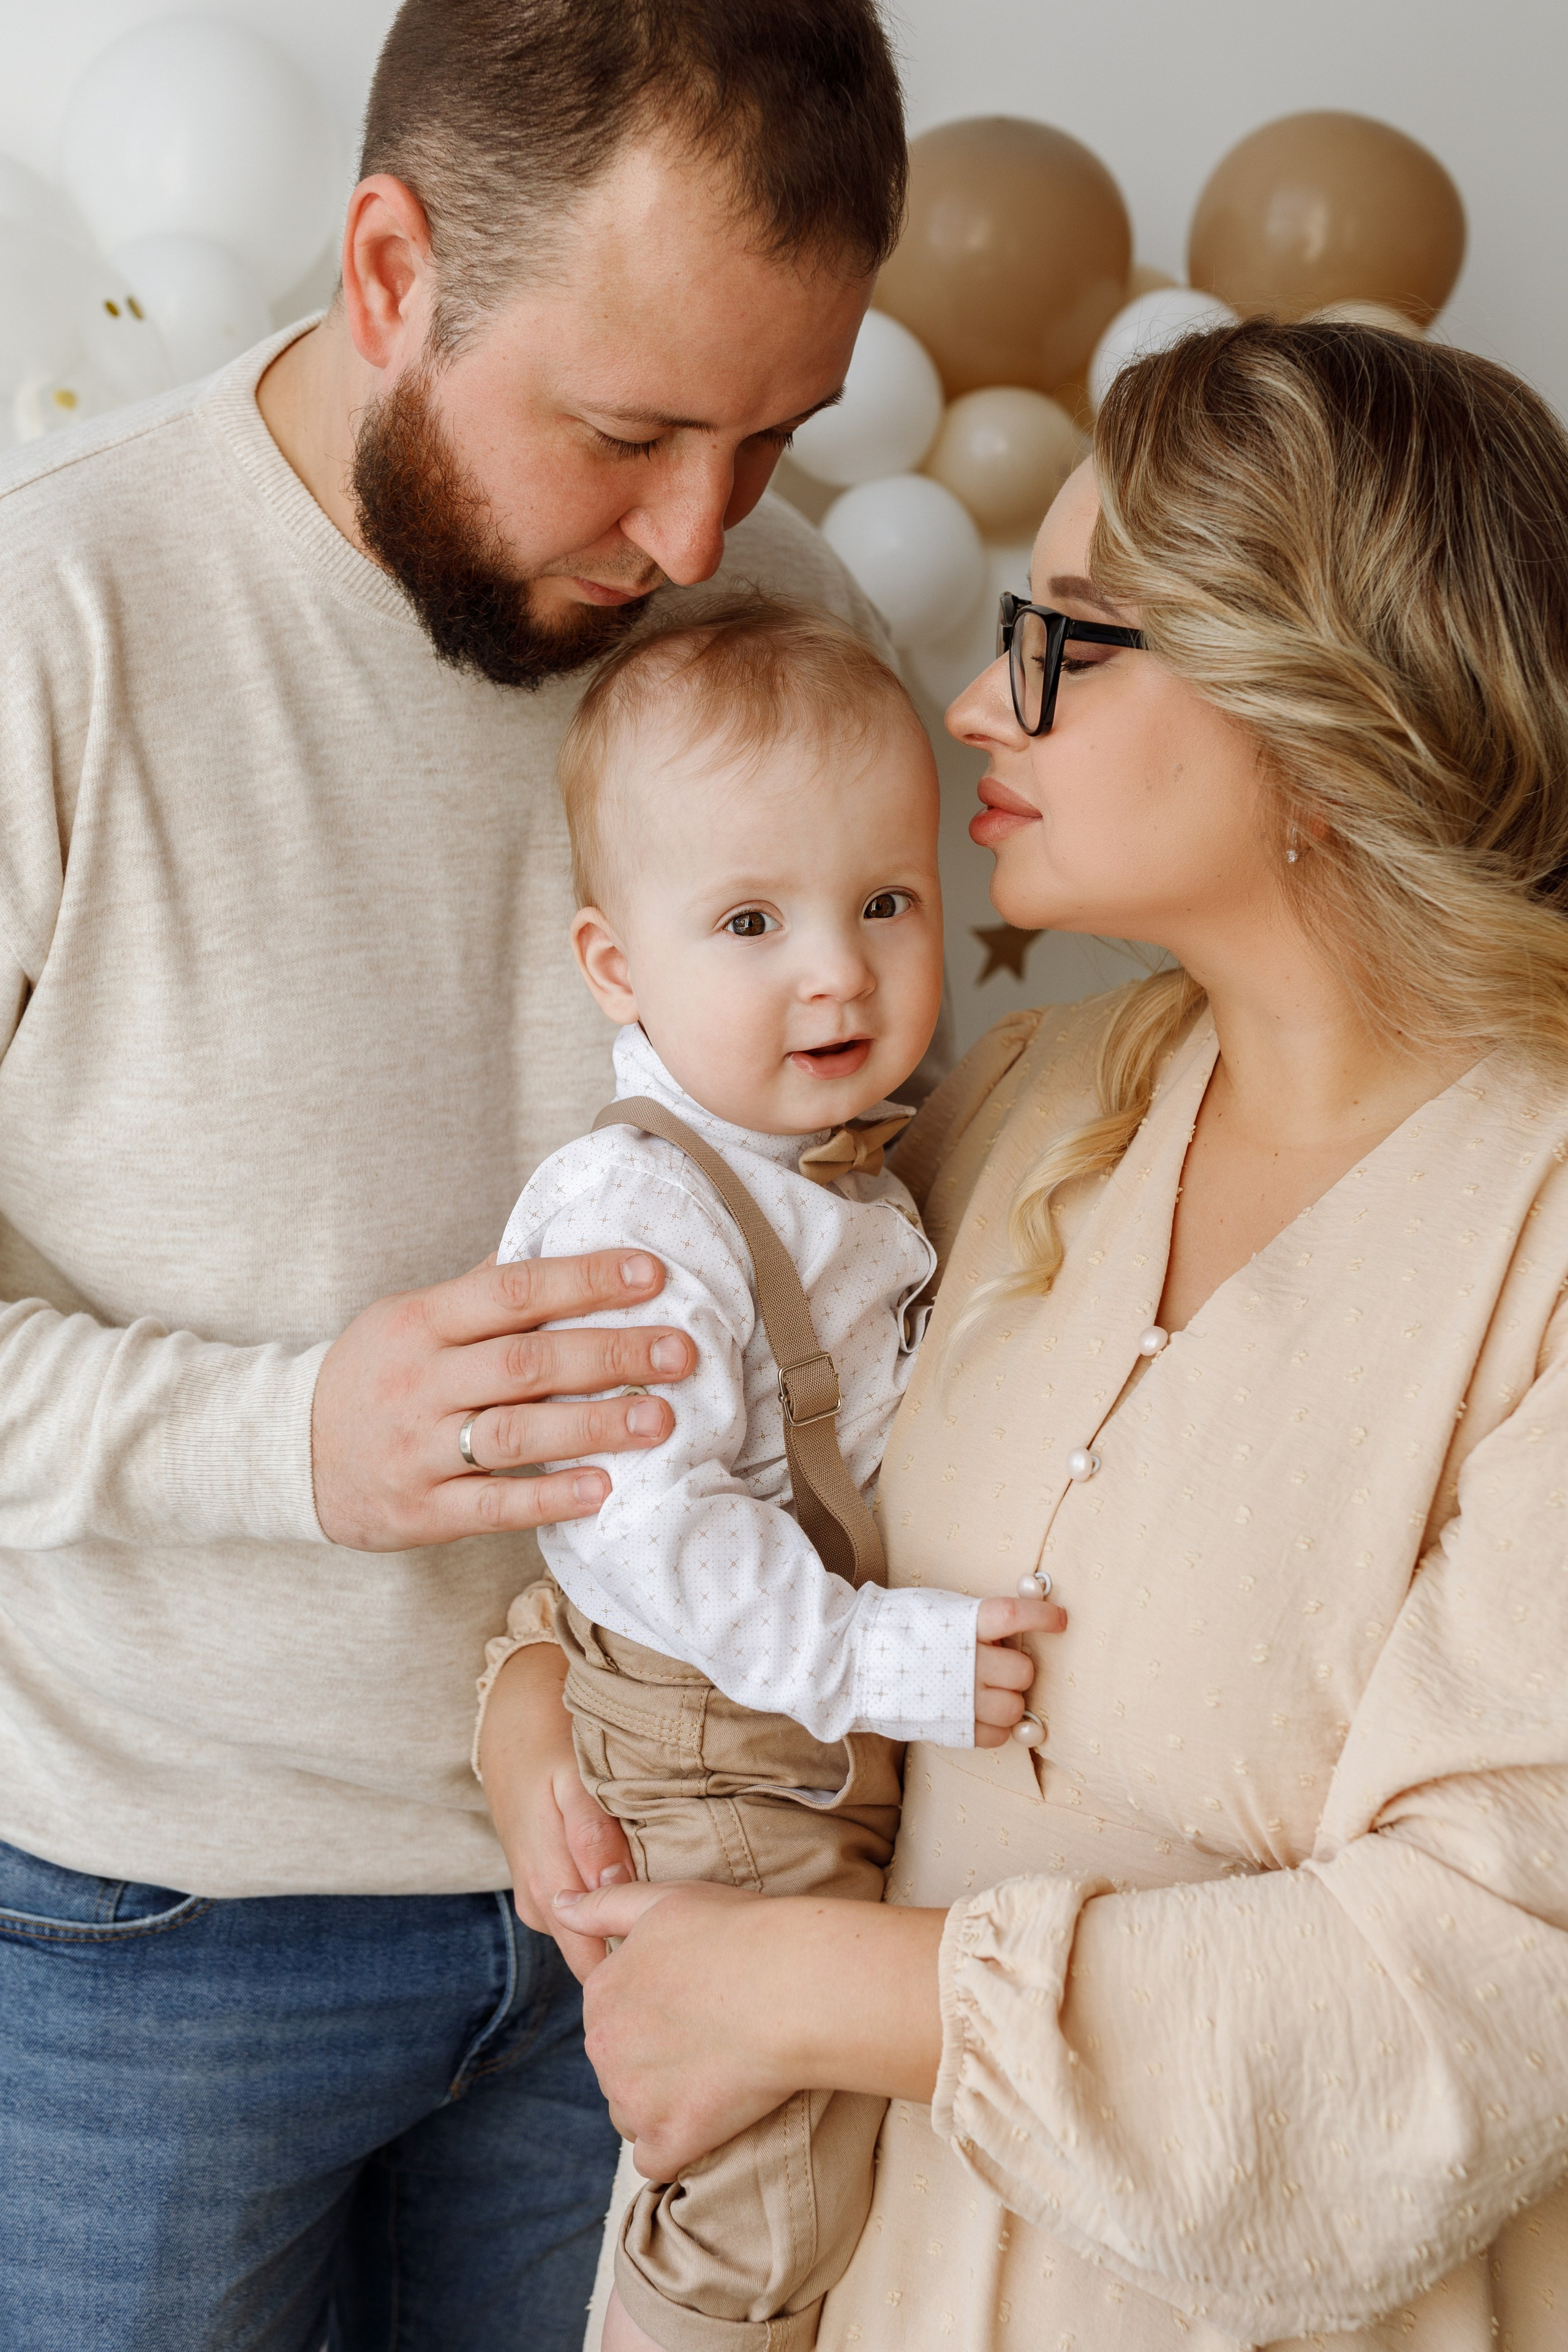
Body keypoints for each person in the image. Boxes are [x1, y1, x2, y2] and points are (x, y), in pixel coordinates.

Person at [496, 320, 1568, 2352]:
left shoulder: (1539, 1232)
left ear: (1313, 703)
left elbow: (1483, 1987)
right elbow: (731, 1501)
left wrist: (811, 1992)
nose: (982, 700)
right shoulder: (1021, 1108)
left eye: (1067, 636)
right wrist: (541, 1717)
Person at [0, 2, 916, 2343]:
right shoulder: (51, 634)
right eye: (625, 433)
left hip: (674, 1915)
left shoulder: (788, 631)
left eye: (777, 432)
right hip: (148, 1939)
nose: (704, 534)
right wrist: (286, 1437)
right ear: (391, 268)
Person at [471, 598, 1057, 2352]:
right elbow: (649, 1537)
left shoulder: (845, 1158)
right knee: (767, 2185)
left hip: (805, 1733)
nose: (838, 970)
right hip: (738, 1749)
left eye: (883, 902)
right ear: (614, 966)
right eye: (749, 921)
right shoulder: (639, 1210)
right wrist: (890, 1664)